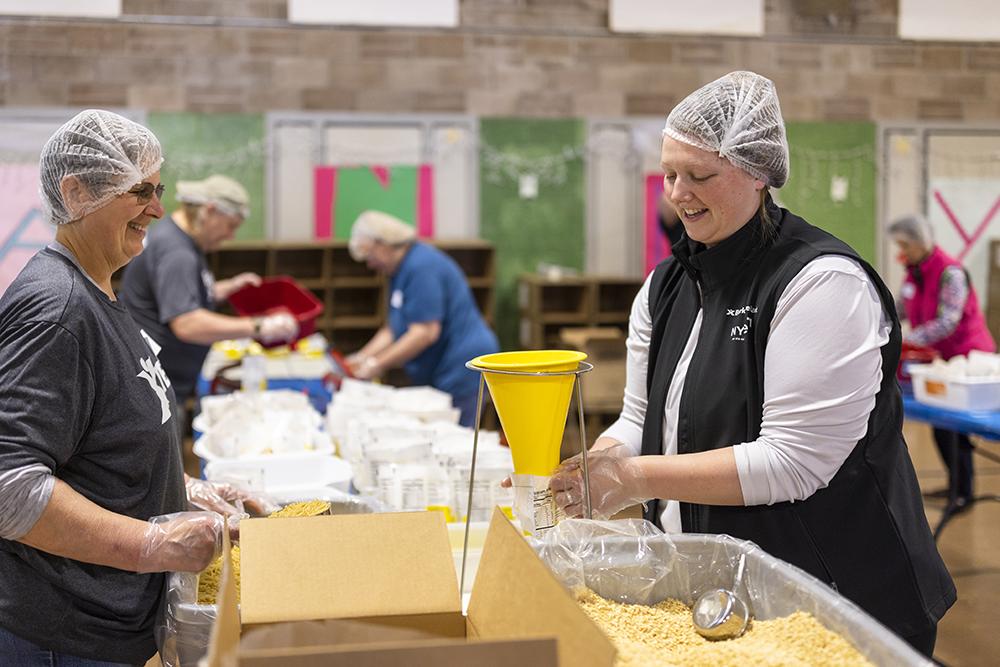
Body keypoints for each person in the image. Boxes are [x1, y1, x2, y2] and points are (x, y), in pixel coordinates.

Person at [549, 72, 954, 657]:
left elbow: (791, 462)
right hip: (722, 596)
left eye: (701, 176)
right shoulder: (667, 286)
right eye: (669, 174)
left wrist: (635, 480)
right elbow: (641, 421)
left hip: (837, 596)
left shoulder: (820, 283)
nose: (678, 193)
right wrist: (601, 463)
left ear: (760, 174)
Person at [0, 110, 269, 665]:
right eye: (138, 191)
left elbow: (104, 438)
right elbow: (10, 484)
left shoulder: (97, 292)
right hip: (61, 635)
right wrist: (155, 544)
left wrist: (184, 489)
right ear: (76, 194)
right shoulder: (59, 310)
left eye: (158, 188)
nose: (158, 209)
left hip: (103, 628)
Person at [119, 174, 298, 431]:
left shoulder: (178, 238)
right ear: (210, 212)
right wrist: (259, 326)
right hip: (155, 388)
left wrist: (224, 288)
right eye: (230, 226)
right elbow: (187, 324)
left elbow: (172, 293)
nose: (231, 236)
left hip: (161, 380)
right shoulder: (178, 252)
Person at [346, 210, 499, 427]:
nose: (369, 264)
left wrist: (376, 364)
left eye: (370, 256)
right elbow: (393, 329)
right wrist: (361, 358)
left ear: (384, 244)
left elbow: (424, 333)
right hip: (440, 366)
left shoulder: (421, 267)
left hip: (461, 366)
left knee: (452, 438)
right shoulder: (398, 271)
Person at [889, 213, 996, 508]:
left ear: (919, 242)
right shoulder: (913, 271)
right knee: (942, 428)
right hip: (940, 361)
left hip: (967, 357)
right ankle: (956, 486)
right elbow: (901, 308)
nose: (902, 251)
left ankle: (963, 492)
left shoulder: (951, 273)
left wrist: (908, 341)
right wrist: (880, 322)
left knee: (956, 431)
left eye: (904, 245)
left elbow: (949, 320)